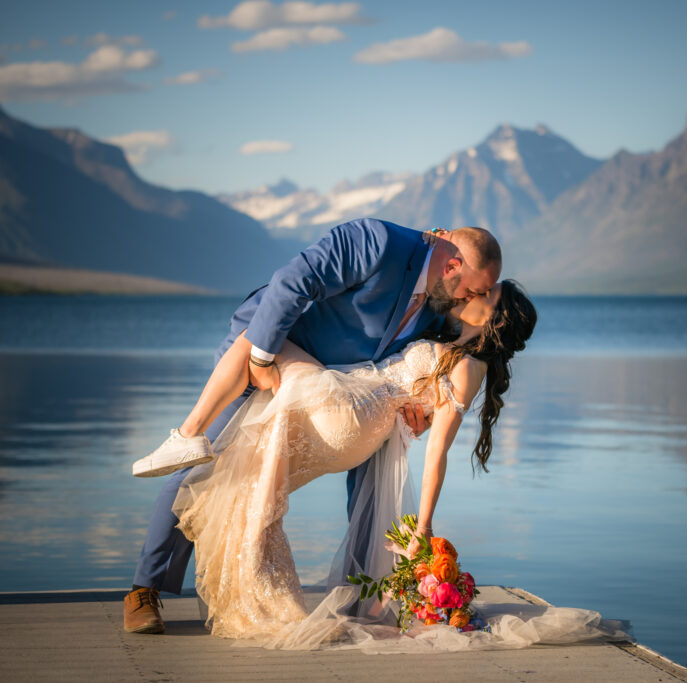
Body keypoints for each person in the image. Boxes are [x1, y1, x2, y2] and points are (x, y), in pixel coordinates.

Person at [123, 219, 501, 634]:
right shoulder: (377, 241)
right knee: (203, 465)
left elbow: (424, 367)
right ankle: (145, 588)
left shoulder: (440, 305)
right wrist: (262, 358)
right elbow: (294, 281)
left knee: (377, 473)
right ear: (451, 266)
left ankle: (362, 597)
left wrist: (422, 414)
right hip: (273, 353)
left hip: (343, 391)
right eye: (476, 287)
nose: (476, 296)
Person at [171, 279, 537, 647]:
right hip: (355, 415)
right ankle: (262, 591)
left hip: (352, 409)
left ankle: (188, 434)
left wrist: (423, 527)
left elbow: (437, 452)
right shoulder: (456, 346)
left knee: (259, 335)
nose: (474, 291)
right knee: (253, 480)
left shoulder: (470, 366)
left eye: (486, 293)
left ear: (495, 318)